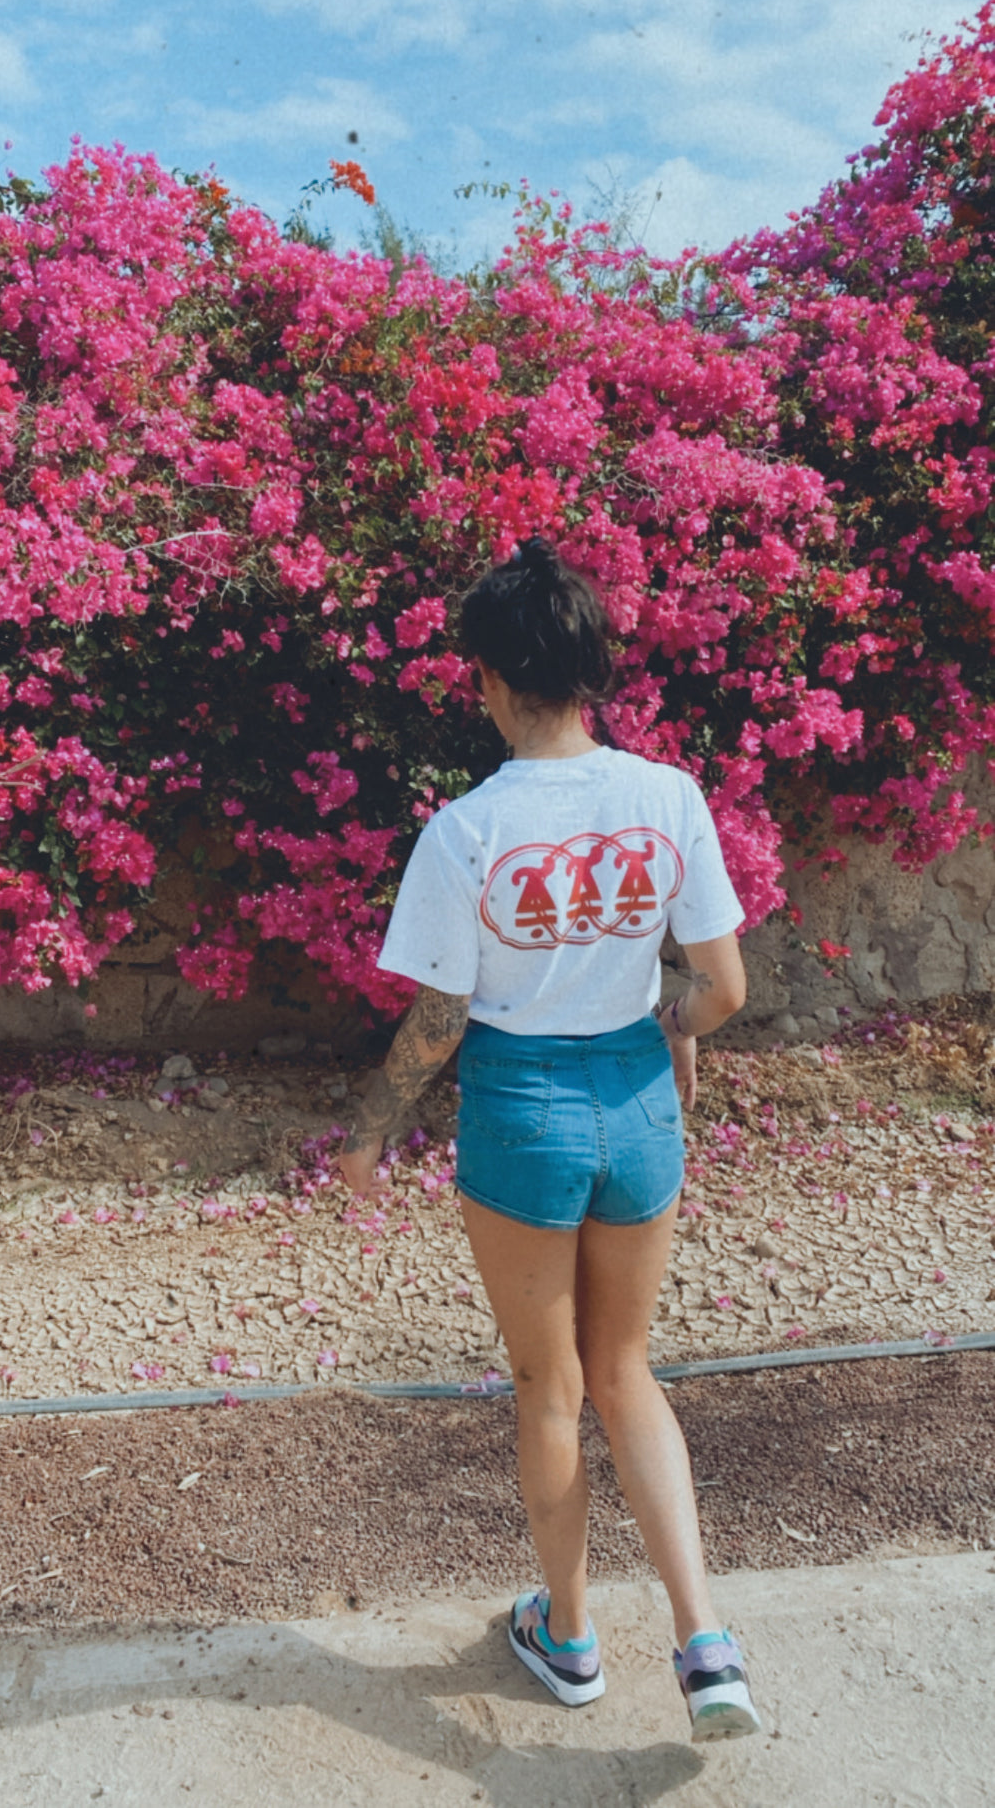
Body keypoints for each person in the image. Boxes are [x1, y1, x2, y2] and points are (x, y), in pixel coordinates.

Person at [336, 536, 762, 1743]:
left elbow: (439, 1016)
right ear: (590, 673)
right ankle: (705, 1644)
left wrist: (367, 1133)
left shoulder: (466, 831)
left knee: (548, 1385)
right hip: (635, 1101)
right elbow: (722, 985)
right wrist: (668, 1027)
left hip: (519, 1111)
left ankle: (567, 1639)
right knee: (631, 1374)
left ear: (484, 676)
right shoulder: (667, 796)